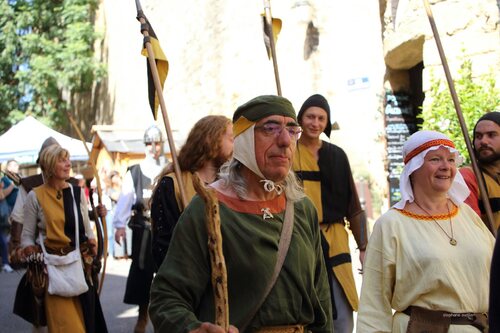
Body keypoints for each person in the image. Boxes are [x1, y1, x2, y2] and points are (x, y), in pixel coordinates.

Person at [149, 95, 333, 333]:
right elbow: (166, 298)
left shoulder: (302, 208)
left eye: (292, 129)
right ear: (243, 140)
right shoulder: (208, 209)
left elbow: (321, 299)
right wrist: (193, 328)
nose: (286, 140)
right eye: (271, 128)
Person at [357, 130, 495, 332]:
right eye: (435, 159)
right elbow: (374, 302)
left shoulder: (467, 215)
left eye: (450, 159)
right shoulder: (391, 224)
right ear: (414, 167)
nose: (446, 167)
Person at [293, 94, 367, 333]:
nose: (315, 123)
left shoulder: (337, 155)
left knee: (341, 306)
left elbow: (353, 205)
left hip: (335, 239)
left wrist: (363, 246)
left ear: (327, 122)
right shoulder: (289, 153)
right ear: (301, 119)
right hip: (300, 237)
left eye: (321, 118)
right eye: (310, 117)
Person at [20, 144, 107, 332]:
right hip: (51, 272)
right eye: (62, 160)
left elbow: (86, 229)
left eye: (68, 159)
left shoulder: (76, 193)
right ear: (50, 166)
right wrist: (29, 250)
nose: (68, 164)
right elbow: (26, 237)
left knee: (85, 326)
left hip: (79, 269)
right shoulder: (35, 196)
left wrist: (93, 245)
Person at [150, 115, 233, 268]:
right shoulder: (172, 184)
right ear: (210, 140)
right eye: (231, 139)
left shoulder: (231, 185)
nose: (235, 147)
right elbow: (163, 247)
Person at [113, 124, 166, 333]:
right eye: (149, 143)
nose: (154, 147)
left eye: (157, 143)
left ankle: (165, 317)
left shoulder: (170, 169)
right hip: (143, 230)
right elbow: (126, 199)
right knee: (142, 275)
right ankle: (142, 316)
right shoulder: (135, 172)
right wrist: (118, 225)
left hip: (165, 229)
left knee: (167, 274)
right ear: (145, 145)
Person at [460, 111, 500, 232]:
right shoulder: (467, 177)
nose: (483, 141)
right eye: (478, 136)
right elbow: (470, 230)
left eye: (491, 135)